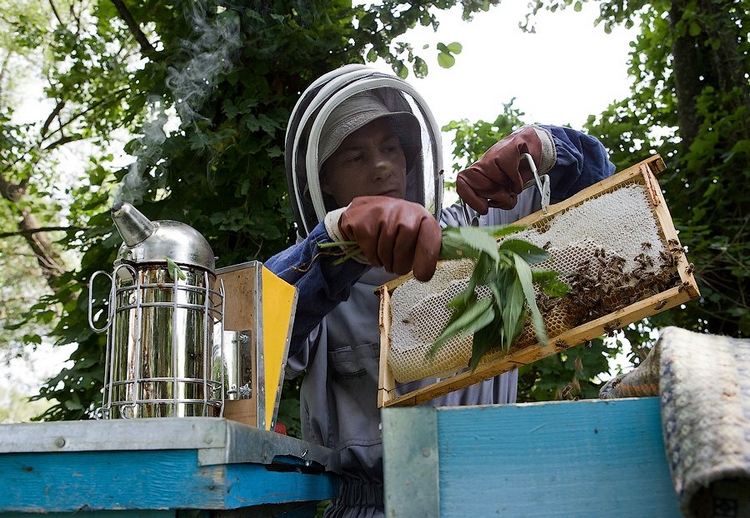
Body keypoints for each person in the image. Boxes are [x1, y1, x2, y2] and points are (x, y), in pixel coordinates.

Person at [266, 64, 615, 517]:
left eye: (391, 147)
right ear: (324, 180)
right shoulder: (311, 272)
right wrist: (333, 242)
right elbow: (248, 334)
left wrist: (548, 148)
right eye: (355, 156)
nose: (381, 166)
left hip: (494, 500)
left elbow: (603, 208)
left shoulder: (486, 225)